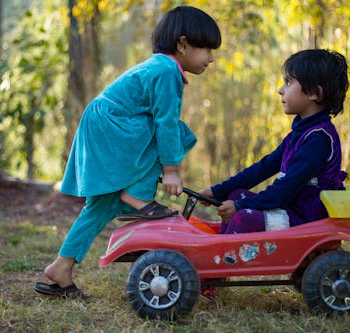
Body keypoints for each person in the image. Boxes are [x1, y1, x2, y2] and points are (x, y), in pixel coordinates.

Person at [34, 5, 221, 298]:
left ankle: (61, 266)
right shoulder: (165, 71)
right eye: (207, 49)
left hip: (105, 125)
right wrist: (170, 170)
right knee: (176, 131)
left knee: (102, 205)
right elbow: (165, 123)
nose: (211, 58)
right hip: (114, 126)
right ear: (183, 44)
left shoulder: (159, 66)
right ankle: (138, 196)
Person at [200, 49, 349, 235]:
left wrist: (239, 206)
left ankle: (227, 260)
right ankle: (222, 247)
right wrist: (218, 191)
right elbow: (262, 168)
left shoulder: (318, 140)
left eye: (288, 83)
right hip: (289, 210)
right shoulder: (300, 134)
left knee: (242, 215)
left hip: (305, 220)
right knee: (236, 194)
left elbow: (284, 190)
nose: (281, 90)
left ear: (314, 93)